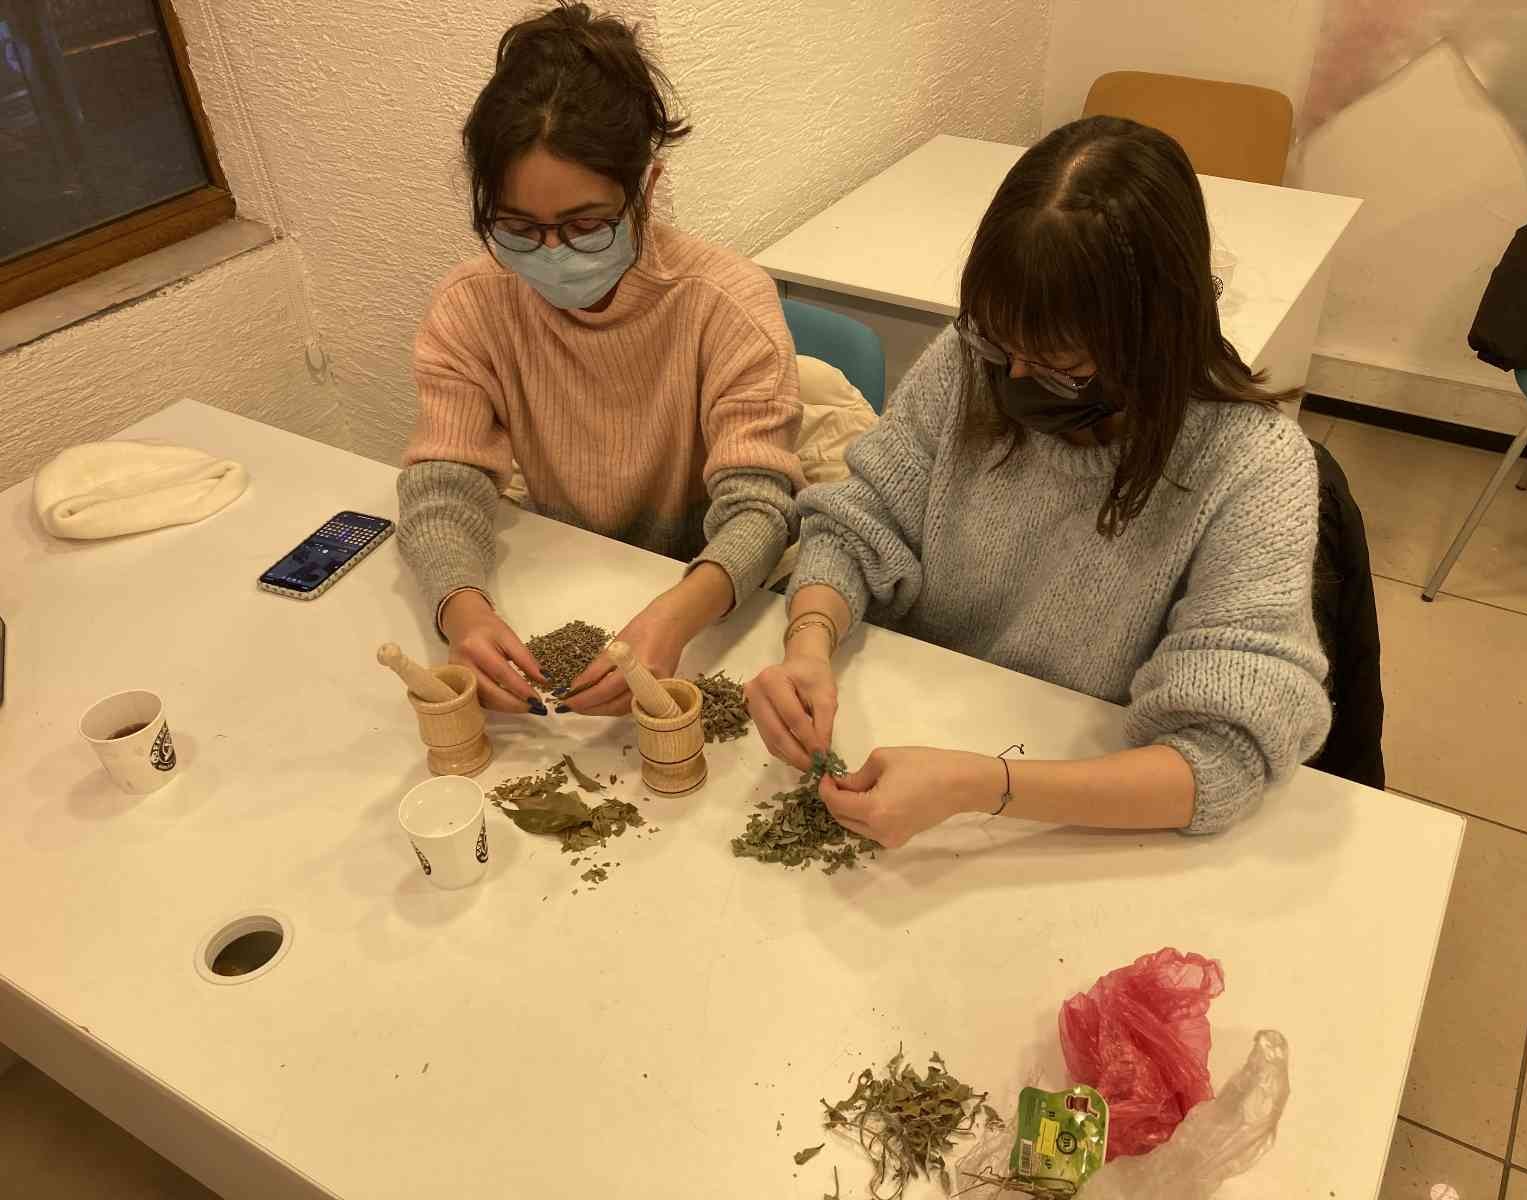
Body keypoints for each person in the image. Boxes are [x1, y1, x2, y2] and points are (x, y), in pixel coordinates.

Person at [745, 117, 1332, 846]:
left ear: (1155, 336)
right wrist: (808, 641)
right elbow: (860, 520)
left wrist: (982, 786)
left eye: (1060, 366)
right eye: (1000, 344)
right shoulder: (972, 361)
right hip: (919, 721)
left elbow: (1221, 757)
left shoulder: (1252, 467)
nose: (1015, 378)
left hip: (1078, 797)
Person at [397, 2, 804, 716]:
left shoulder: (725, 304)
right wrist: (462, 610)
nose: (552, 253)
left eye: (585, 225)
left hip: (706, 594)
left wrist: (678, 614)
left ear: (645, 190)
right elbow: (443, 482)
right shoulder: (473, 304)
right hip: (561, 574)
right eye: (518, 228)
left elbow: (761, 506)